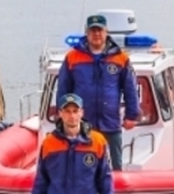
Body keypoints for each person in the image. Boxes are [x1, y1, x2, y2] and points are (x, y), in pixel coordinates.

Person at [56, 14, 140, 170]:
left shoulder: (120, 58)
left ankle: (115, 191)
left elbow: (130, 88)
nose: (96, 34)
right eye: (92, 30)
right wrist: (63, 115)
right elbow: (63, 88)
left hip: (111, 123)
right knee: (82, 164)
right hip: (82, 123)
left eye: (99, 30)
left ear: (106, 32)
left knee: (115, 165)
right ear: (86, 33)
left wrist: (131, 115)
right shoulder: (72, 57)